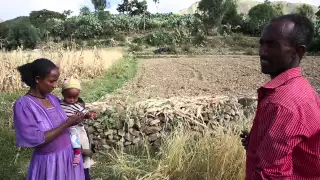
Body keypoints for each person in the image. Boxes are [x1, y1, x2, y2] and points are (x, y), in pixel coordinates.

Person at [241, 14, 320, 179]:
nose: (262, 52)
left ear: (298, 51)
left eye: (272, 45)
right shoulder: (302, 88)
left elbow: (272, 174)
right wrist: (256, 142)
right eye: (261, 43)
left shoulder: (281, 103)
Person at [13, 58, 86, 180]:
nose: (55, 85)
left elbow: (68, 115)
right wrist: (67, 124)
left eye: (56, 81)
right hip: (50, 162)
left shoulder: (53, 99)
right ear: (37, 79)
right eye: (51, 81)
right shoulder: (24, 105)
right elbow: (36, 139)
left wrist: (78, 117)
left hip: (69, 155)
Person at [60, 77, 96, 166]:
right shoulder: (59, 104)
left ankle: (81, 156)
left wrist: (89, 115)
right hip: (63, 129)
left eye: (75, 97)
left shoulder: (77, 106)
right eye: (69, 97)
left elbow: (84, 112)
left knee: (78, 140)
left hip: (74, 128)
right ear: (63, 94)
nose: (72, 100)